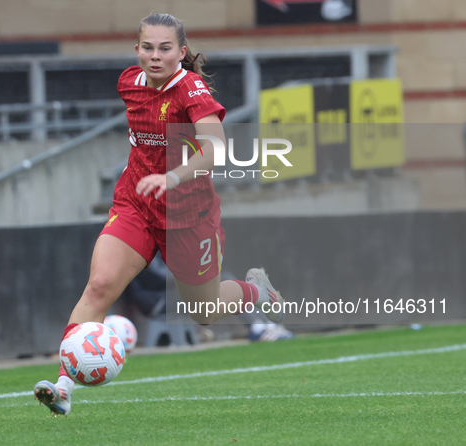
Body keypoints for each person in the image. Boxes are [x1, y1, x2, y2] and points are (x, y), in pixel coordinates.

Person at [33, 13, 285, 417]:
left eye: (165, 48)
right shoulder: (128, 82)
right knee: (99, 286)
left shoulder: (191, 89)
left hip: (189, 217)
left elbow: (216, 148)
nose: (155, 56)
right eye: (147, 47)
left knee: (203, 313)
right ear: (137, 50)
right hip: (135, 204)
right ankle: (63, 387)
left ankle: (255, 288)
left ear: (181, 53)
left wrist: (172, 176)